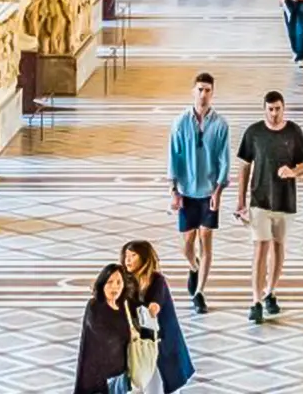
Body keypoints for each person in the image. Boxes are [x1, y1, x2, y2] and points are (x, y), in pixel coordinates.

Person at [236, 91, 303, 324]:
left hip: (285, 200)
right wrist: (240, 201)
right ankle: (255, 301)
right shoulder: (254, 132)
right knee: (261, 247)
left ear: (283, 108)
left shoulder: (293, 131)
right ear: (264, 109)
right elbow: (244, 167)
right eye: (270, 109)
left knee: (279, 247)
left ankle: (271, 291)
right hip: (259, 199)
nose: (274, 113)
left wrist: (293, 172)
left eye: (278, 108)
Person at [167, 72, 231, 314]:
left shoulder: (220, 124)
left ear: (212, 93)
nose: (203, 94)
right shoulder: (180, 122)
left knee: (206, 240)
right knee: (187, 244)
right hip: (186, 190)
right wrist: (173, 190)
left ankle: (200, 292)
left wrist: (219, 190)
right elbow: (173, 156)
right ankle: (193, 267)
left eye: (207, 90)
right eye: (200, 89)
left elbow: (224, 159)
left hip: (208, 192)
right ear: (193, 91)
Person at [121, 241, 195, 393]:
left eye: (133, 256)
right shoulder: (124, 279)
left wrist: (151, 308)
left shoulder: (156, 280)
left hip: (157, 339)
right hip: (136, 339)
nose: (127, 260)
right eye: (126, 256)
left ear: (144, 258)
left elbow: (156, 304)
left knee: (157, 377)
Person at [73, 264, 137, 394]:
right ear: (102, 284)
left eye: (119, 282)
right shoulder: (94, 306)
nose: (115, 287)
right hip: (97, 377)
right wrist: (129, 335)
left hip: (120, 374)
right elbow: (102, 333)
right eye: (110, 282)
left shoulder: (124, 307)